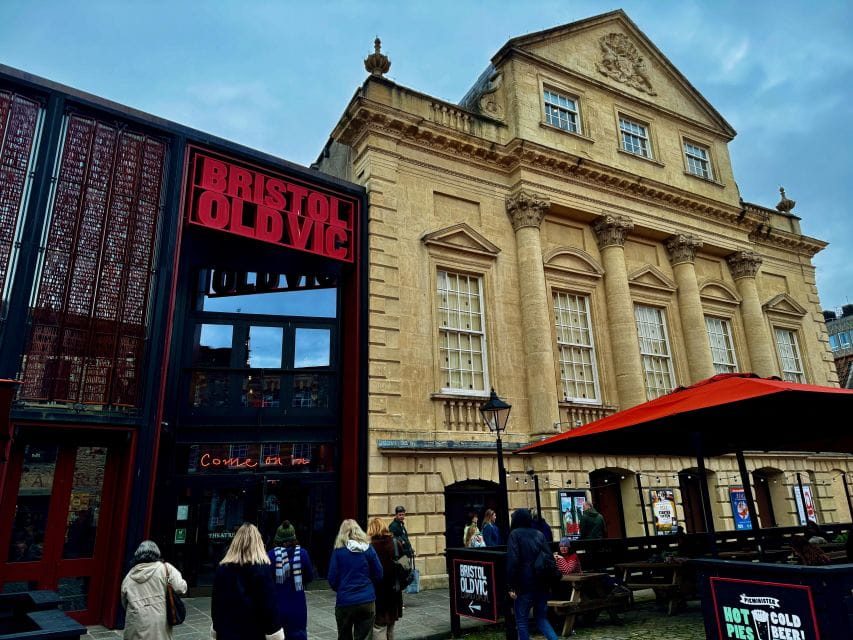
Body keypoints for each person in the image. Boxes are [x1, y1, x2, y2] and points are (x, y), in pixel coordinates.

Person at [212, 523, 284, 640]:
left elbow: (216, 604)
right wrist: (274, 631)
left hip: (227, 633)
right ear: (258, 543)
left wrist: (217, 627)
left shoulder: (222, 569)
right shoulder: (262, 570)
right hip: (253, 633)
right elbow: (269, 607)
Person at [506, 508, 560, 640]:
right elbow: (549, 558)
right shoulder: (539, 534)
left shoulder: (515, 534)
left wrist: (510, 586)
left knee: (522, 621)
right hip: (541, 583)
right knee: (541, 618)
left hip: (524, 584)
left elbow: (513, 562)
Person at [328, 519, 383, 640]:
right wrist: (369, 587)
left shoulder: (338, 552)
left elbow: (332, 578)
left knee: (344, 636)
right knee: (364, 636)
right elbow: (379, 573)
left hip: (345, 600)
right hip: (367, 600)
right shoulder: (368, 549)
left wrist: (342, 588)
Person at [120, 540, 187, 640]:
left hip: (136, 625)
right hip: (160, 624)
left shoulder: (129, 576)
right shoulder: (166, 569)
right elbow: (181, 588)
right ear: (157, 554)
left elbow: (124, 602)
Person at [268, 520, 314, 640]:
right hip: (297, 605)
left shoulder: (271, 555)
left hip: (277, 605)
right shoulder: (303, 554)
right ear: (294, 537)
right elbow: (309, 577)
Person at [367, 518, 403, 640]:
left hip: (376, 590)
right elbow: (406, 567)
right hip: (393, 589)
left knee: (378, 626)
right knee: (391, 625)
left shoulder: (368, 547)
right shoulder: (395, 543)